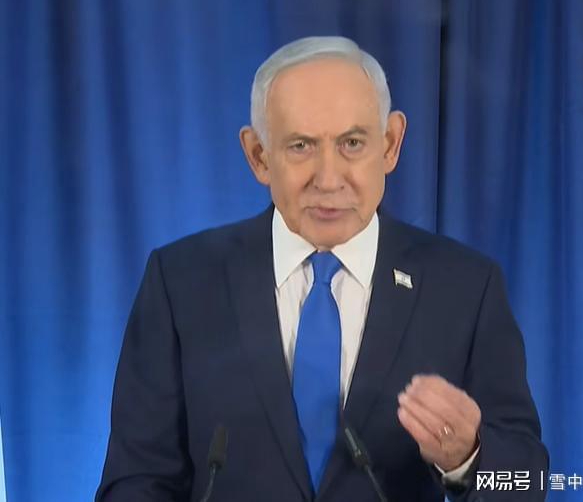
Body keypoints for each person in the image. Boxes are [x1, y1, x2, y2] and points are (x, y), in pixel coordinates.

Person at [96, 36, 548, 501]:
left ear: (390, 144)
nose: (329, 179)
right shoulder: (181, 282)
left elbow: (528, 482)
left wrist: (469, 457)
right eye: (300, 146)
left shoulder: (464, 287)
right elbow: (135, 480)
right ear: (258, 155)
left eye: (352, 143)